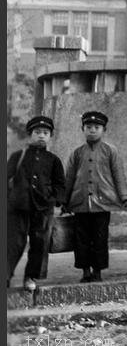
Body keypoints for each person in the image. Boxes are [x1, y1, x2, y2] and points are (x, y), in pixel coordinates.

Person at [64, 111, 127, 283]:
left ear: (104, 129)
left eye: (97, 127)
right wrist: (64, 201)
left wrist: (124, 197)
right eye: (88, 127)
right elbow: (69, 178)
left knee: (100, 239)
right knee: (81, 240)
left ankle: (98, 271)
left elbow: (119, 175)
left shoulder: (110, 151)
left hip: (103, 204)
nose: (92, 130)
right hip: (80, 204)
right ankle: (85, 271)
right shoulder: (77, 153)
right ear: (83, 129)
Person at [7, 116, 65, 290]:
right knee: (13, 242)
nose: (41, 136)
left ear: (50, 136)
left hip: (43, 207)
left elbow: (60, 184)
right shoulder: (18, 156)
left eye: (45, 133)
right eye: (37, 132)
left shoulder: (53, 160)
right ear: (30, 134)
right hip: (18, 206)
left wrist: (55, 201)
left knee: (40, 242)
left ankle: (31, 277)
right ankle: (6, 276)